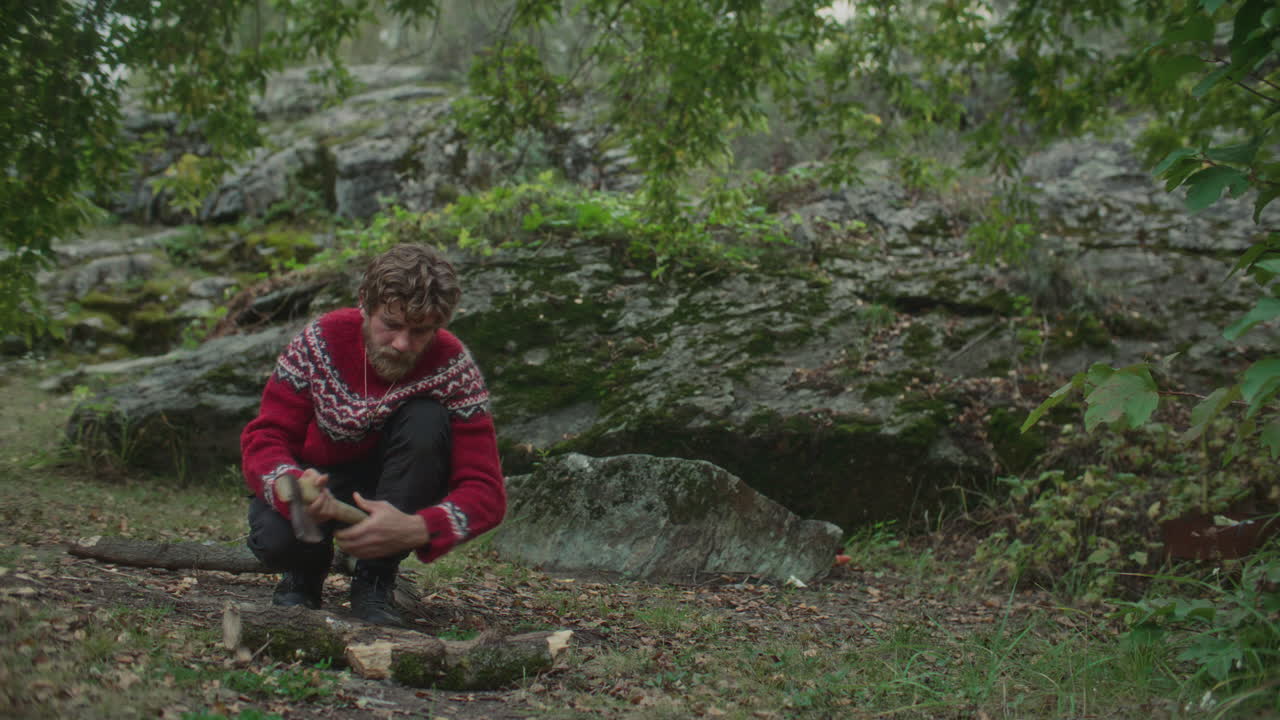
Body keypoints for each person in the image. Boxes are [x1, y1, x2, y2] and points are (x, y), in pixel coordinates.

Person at [240, 243, 505, 625]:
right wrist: (291, 484)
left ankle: (375, 580)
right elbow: (265, 436)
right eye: (391, 325)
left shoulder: (453, 368)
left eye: (420, 331)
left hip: (394, 486)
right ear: (365, 303)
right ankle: (303, 575)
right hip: (317, 480)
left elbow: (487, 492)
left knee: (427, 419)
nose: (402, 344)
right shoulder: (320, 341)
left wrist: (418, 527)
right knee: (275, 541)